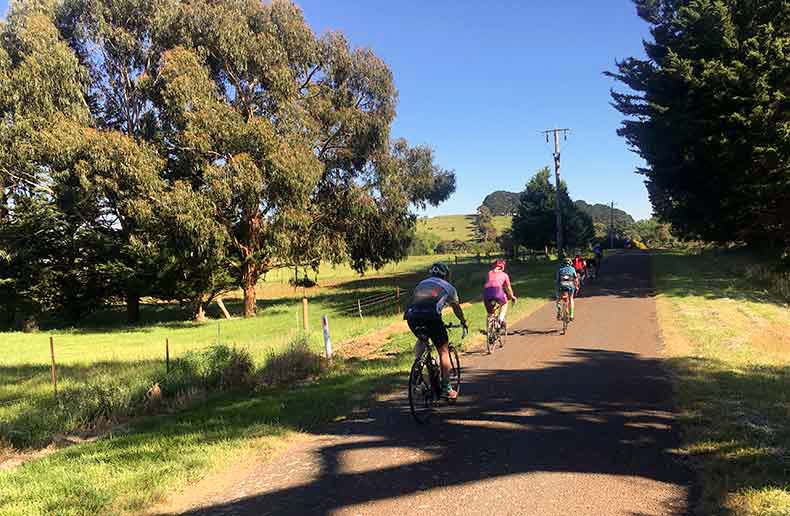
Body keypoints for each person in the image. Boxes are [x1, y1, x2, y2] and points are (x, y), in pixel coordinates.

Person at [404, 262, 468, 400]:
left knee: (422, 339)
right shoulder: (449, 287)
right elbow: (456, 308)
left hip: (412, 317)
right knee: (443, 351)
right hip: (431, 317)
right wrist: (463, 321)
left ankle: (418, 365)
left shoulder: (421, 283)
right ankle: (446, 388)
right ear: (445, 275)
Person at [482, 258, 517, 333]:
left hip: (486, 293)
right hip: (498, 292)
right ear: (503, 267)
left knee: (490, 313)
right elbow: (508, 288)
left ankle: (490, 330)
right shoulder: (504, 275)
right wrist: (512, 297)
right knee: (504, 303)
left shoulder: (489, 273)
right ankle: (500, 320)